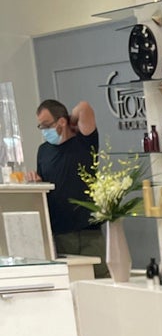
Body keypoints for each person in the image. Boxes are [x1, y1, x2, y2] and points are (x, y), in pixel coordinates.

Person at [26, 98, 107, 276]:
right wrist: (36, 181)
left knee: (98, 278)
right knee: (69, 281)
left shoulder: (83, 142)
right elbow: (45, 183)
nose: (44, 130)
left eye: (47, 125)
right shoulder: (43, 151)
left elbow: (84, 107)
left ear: (61, 121)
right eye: (41, 126)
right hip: (59, 231)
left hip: (87, 230)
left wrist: (71, 121)